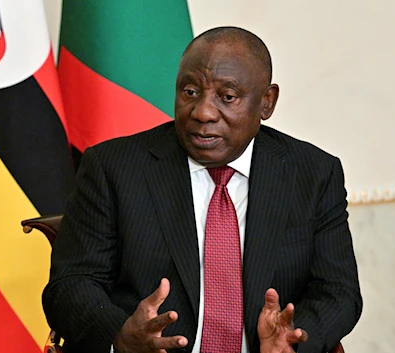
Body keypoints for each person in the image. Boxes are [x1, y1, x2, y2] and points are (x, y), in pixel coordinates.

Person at [43, 26, 362, 353]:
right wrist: (120, 335)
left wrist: (293, 339)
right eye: (190, 92)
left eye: (227, 97)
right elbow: (71, 285)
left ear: (266, 102)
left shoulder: (312, 174)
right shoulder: (113, 168)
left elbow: (338, 291)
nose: (202, 112)